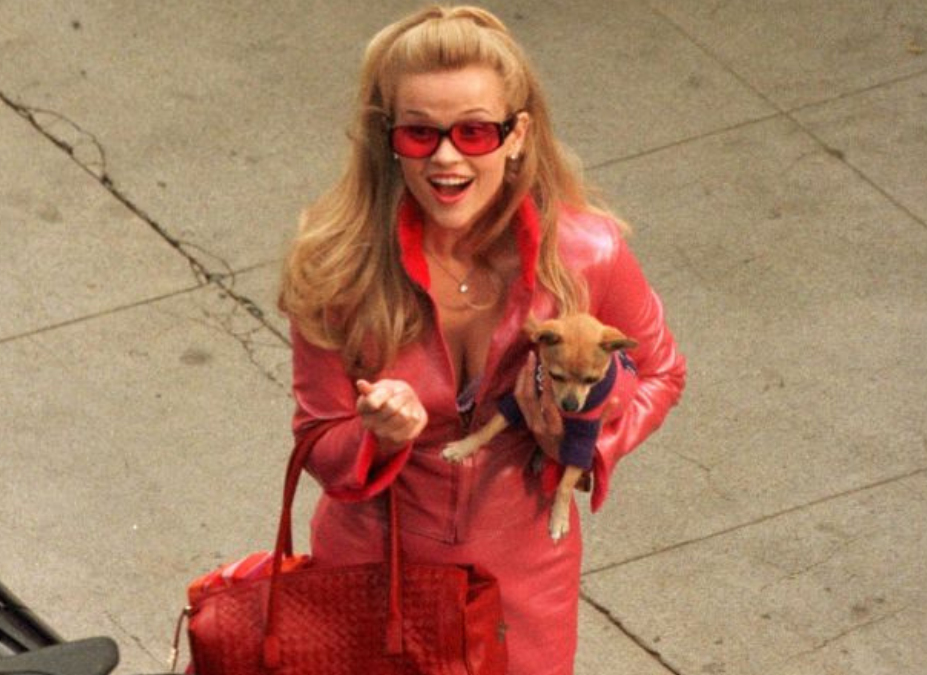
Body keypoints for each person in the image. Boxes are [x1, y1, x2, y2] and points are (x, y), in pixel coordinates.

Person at [277, 6, 685, 674]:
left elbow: (661, 370)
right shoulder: (337, 268)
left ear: (517, 135)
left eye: (473, 131)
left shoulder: (587, 253)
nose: (446, 157)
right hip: (374, 572)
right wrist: (378, 434)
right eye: (420, 133)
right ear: (389, 138)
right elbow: (319, 437)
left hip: (522, 581)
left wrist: (585, 440)